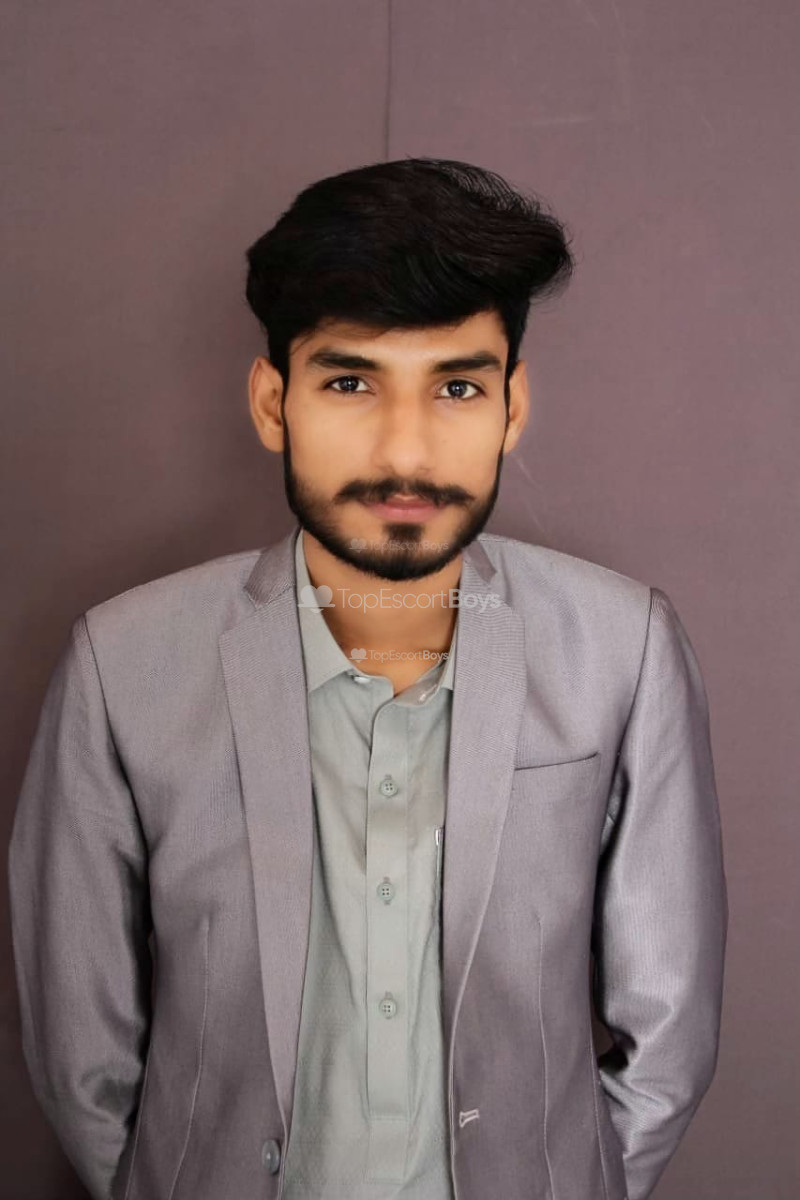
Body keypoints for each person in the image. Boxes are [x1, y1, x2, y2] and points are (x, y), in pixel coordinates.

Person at [8, 157, 728, 1200]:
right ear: (273, 403)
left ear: (512, 408)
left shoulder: (625, 649)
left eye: (457, 387)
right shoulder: (121, 665)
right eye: (350, 383)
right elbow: (80, 1048)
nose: (405, 450)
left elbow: (669, 1031)